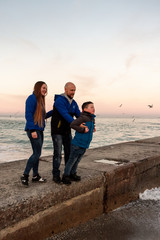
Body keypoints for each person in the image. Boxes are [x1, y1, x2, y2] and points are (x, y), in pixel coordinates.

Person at [21, 81, 52, 186]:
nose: (45, 90)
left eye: (46, 88)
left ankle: (35, 176)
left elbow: (43, 116)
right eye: (43, 88)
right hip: (33, 130)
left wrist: (54, 111)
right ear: (38, 88)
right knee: (36, 154)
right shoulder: (31, 98)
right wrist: (33, 130)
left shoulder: (41, 101)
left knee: (37, 153)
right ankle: (25, 175)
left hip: (39, 130)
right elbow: (28, 115)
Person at [51, 82, 80, 183]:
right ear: (65, 89)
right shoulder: (59, 101)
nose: (73, 92)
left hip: (67, 131)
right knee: (58, 154)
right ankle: (55, 174)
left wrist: (89, 124)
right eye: (71, 90)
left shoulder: (74, 103)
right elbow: (65, 115)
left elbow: (79, 115)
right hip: (57, 131)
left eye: (74, 90)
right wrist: (77, 125)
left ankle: (68, 174)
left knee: (69, 153)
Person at [62, 101, 96, 185]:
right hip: (77, 144)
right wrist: (82, 129)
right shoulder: (83, 117)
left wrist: (93, 129)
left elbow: (89, 127)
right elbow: (73, 124)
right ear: (85, 109)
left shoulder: (91, 118)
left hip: (84, 144)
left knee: (77, 161)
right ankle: (65, 176)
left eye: (93, 107)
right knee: (71, 161)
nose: (93, 108)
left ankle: (73, 174)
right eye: (91, 107)